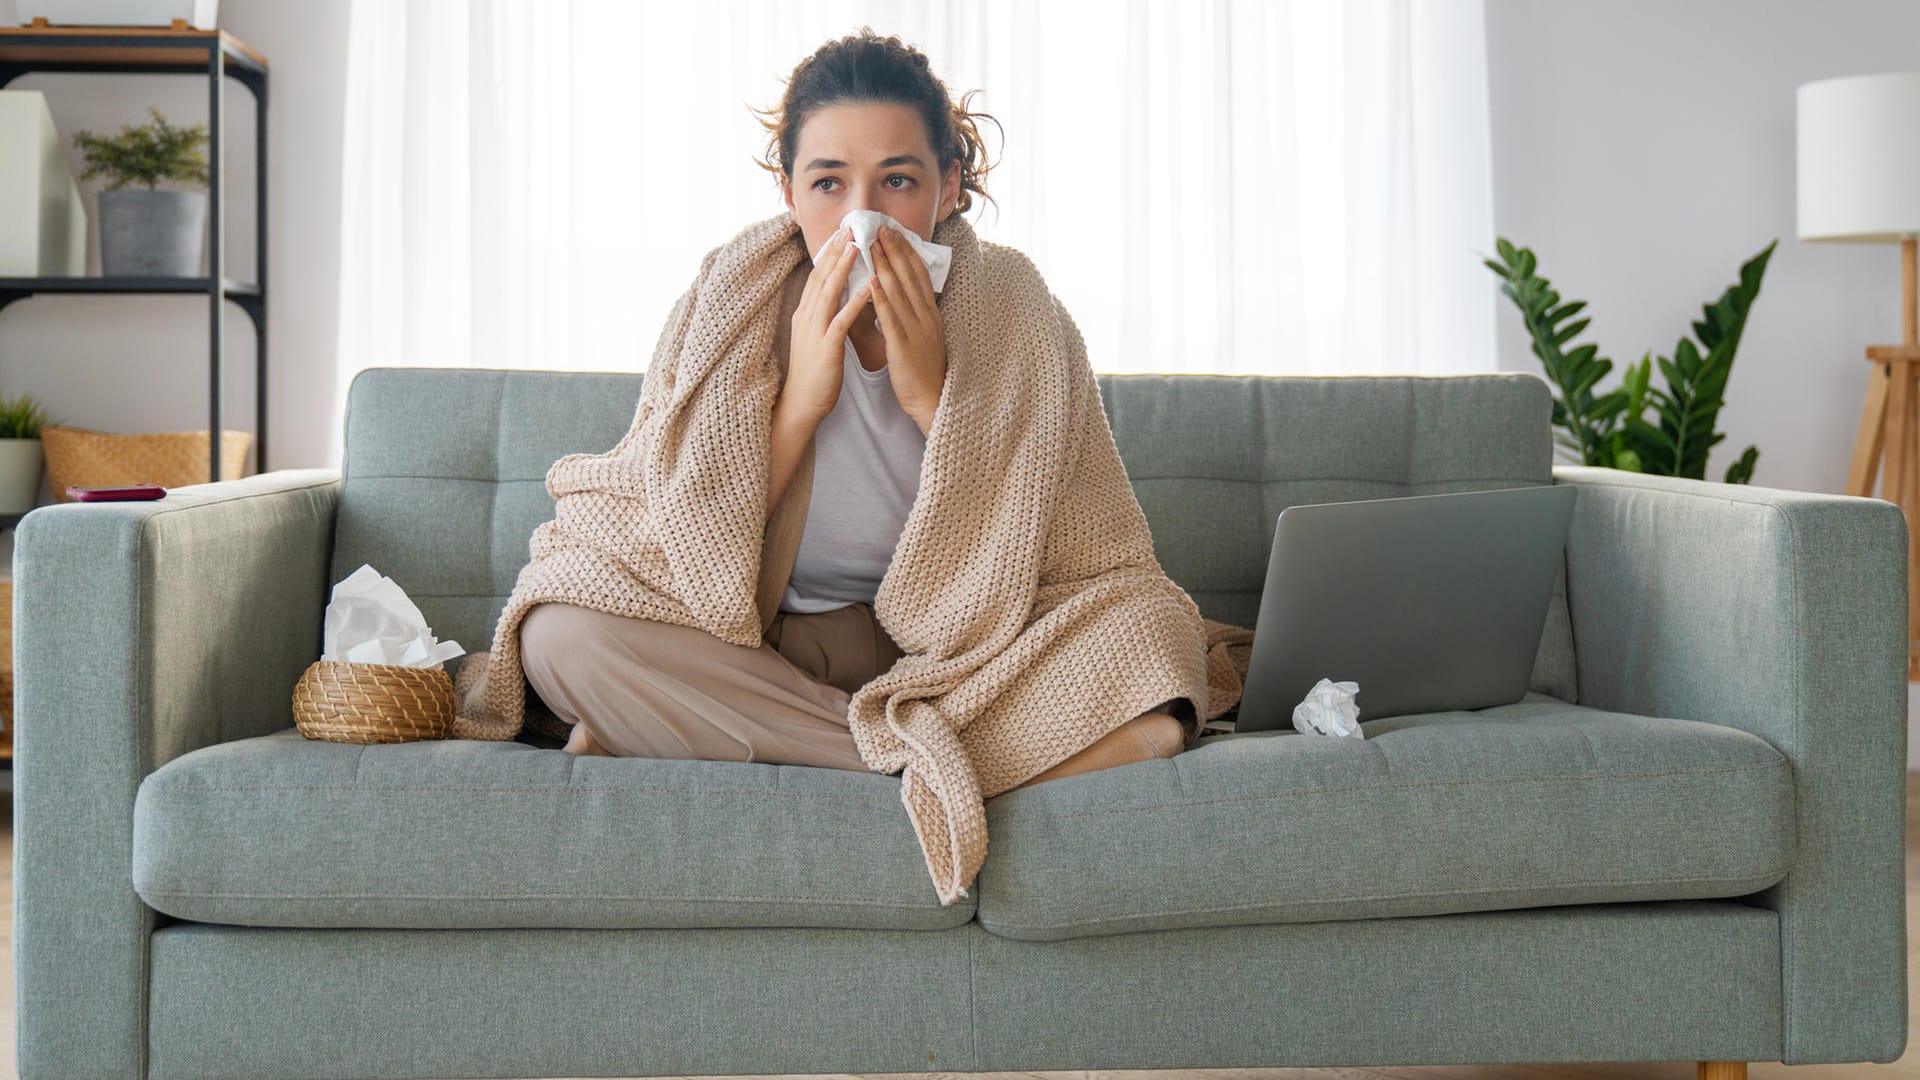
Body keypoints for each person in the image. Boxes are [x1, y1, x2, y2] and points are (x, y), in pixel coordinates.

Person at [517, 28, 1188, 789]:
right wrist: (800, 403)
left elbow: (1080, 549)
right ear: (789, 192)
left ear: (950, 185)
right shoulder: (731, 299)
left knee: (1153, 632)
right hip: (774, 647)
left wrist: (933, 400)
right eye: (829, 184)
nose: (862, 217)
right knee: (560, 635)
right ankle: (947, 765)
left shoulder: (1016, 308)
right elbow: (680, 541)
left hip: (964, 650)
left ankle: (694, 732)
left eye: (897, 181)